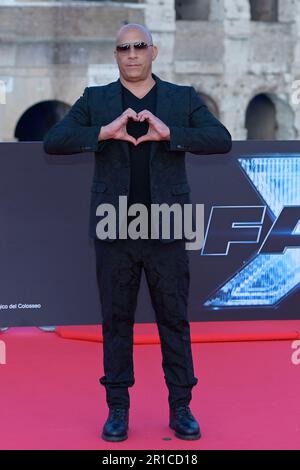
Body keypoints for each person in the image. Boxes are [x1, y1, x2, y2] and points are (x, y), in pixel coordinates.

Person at [44, 23, 232, 442]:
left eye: (139, 46)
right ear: (116, 55)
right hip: (116, 226)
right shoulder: (97, 100)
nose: (131, 54)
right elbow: (54, 141)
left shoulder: (181, 100)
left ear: (154, 51)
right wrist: (103, 132)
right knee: (116, 321)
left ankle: (181, 407)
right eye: (123, 48)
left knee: (174, 320)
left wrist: (172, 134)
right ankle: (117, 410)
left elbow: (221, 139)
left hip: (168, 225)